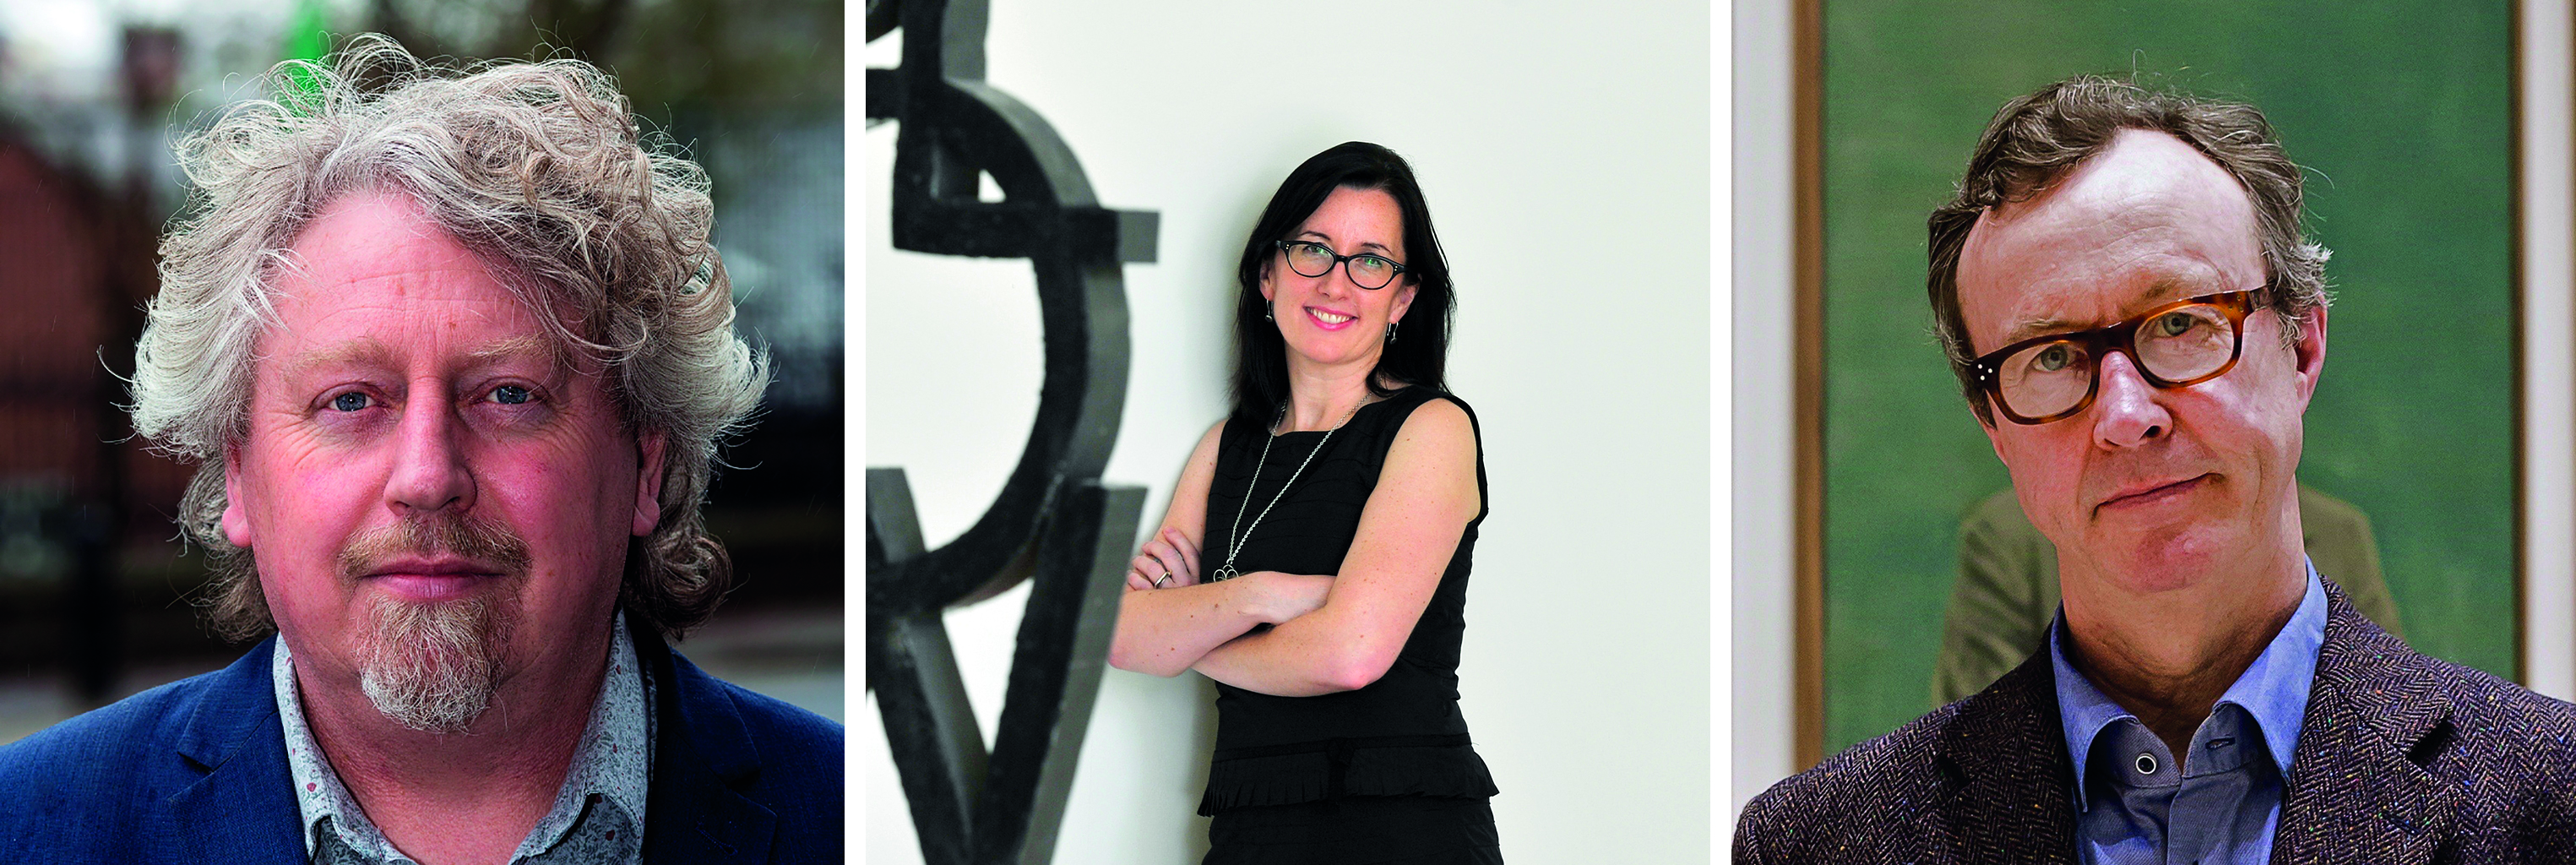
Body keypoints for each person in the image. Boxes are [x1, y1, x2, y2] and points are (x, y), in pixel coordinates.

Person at [0, 37, 841, 863]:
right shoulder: (29, 829)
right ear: (236, 475)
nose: (428, 477)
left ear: (645, 464)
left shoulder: (859, 820)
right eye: (351, 400)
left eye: (509, 395)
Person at [1736, 75, 2576, 862]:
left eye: (2178, 325)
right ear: (1992, 424)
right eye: (2052, 355)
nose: (2124, 416)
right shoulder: (1822, 842)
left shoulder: (2553, 802)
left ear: (2301, 346)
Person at [1106, 142, 1500, 863]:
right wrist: (1267, 596)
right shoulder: (1226, 447)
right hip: (1253, 829)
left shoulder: (1432, 428)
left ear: (1404, 298)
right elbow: (1120, 635)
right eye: (1312, 249)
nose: (1337, 282)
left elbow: (1351, 654)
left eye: (1372, 260)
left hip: (1406, 832)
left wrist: (1191, 636)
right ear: (1267, 272)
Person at [1932, 482, 2403, 705]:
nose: (2135, 412)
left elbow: (2387, 719)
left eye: (2179, 329)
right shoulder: (2011, 538)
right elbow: (1986, 758)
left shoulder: (2337, 534)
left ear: (2301, 356)